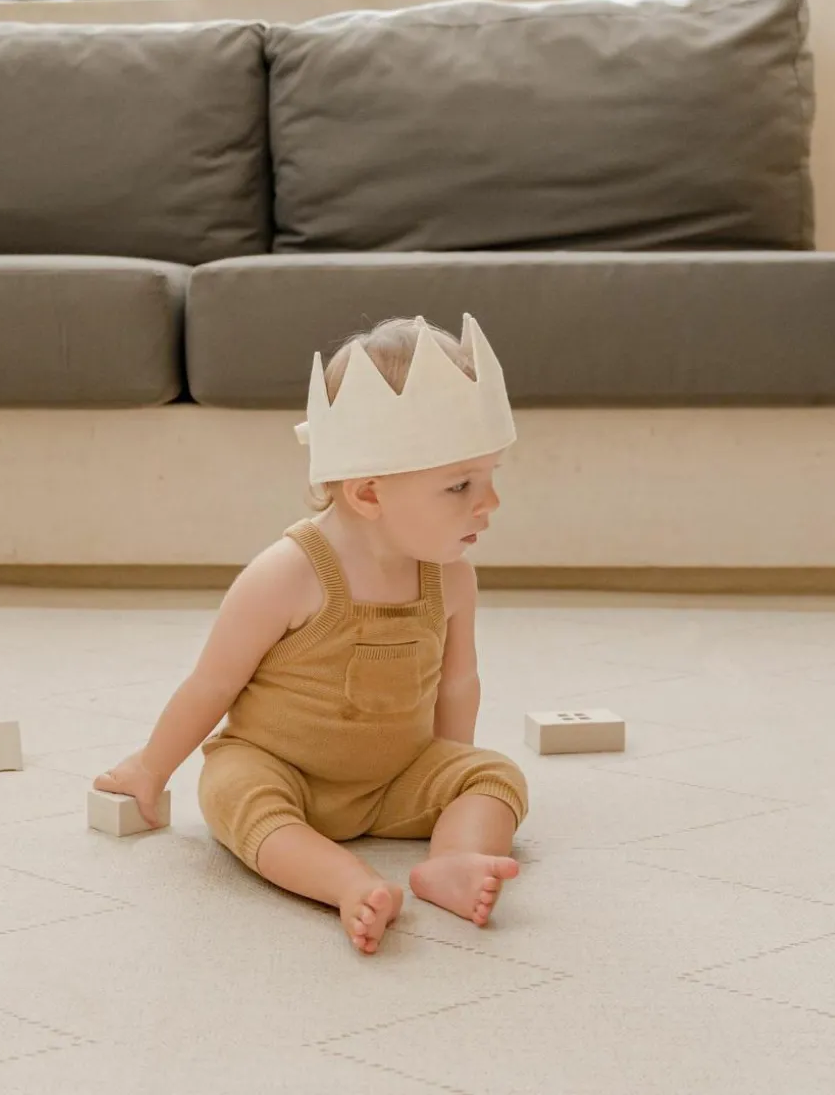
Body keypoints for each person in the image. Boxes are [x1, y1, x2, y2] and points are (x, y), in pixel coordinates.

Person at [94, 314, 528, 955]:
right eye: (461, 485)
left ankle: (453, 862)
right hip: (281, 769)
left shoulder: (452, 578)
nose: (489, 503)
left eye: (490, 477)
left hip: (394, 776)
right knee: (231, 792)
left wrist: (449, 772)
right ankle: (347, 883)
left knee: (495, 776)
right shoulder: (288, 574)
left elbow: (458, 682)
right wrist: (149, 768)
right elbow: (213, 683)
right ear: (368, 494)